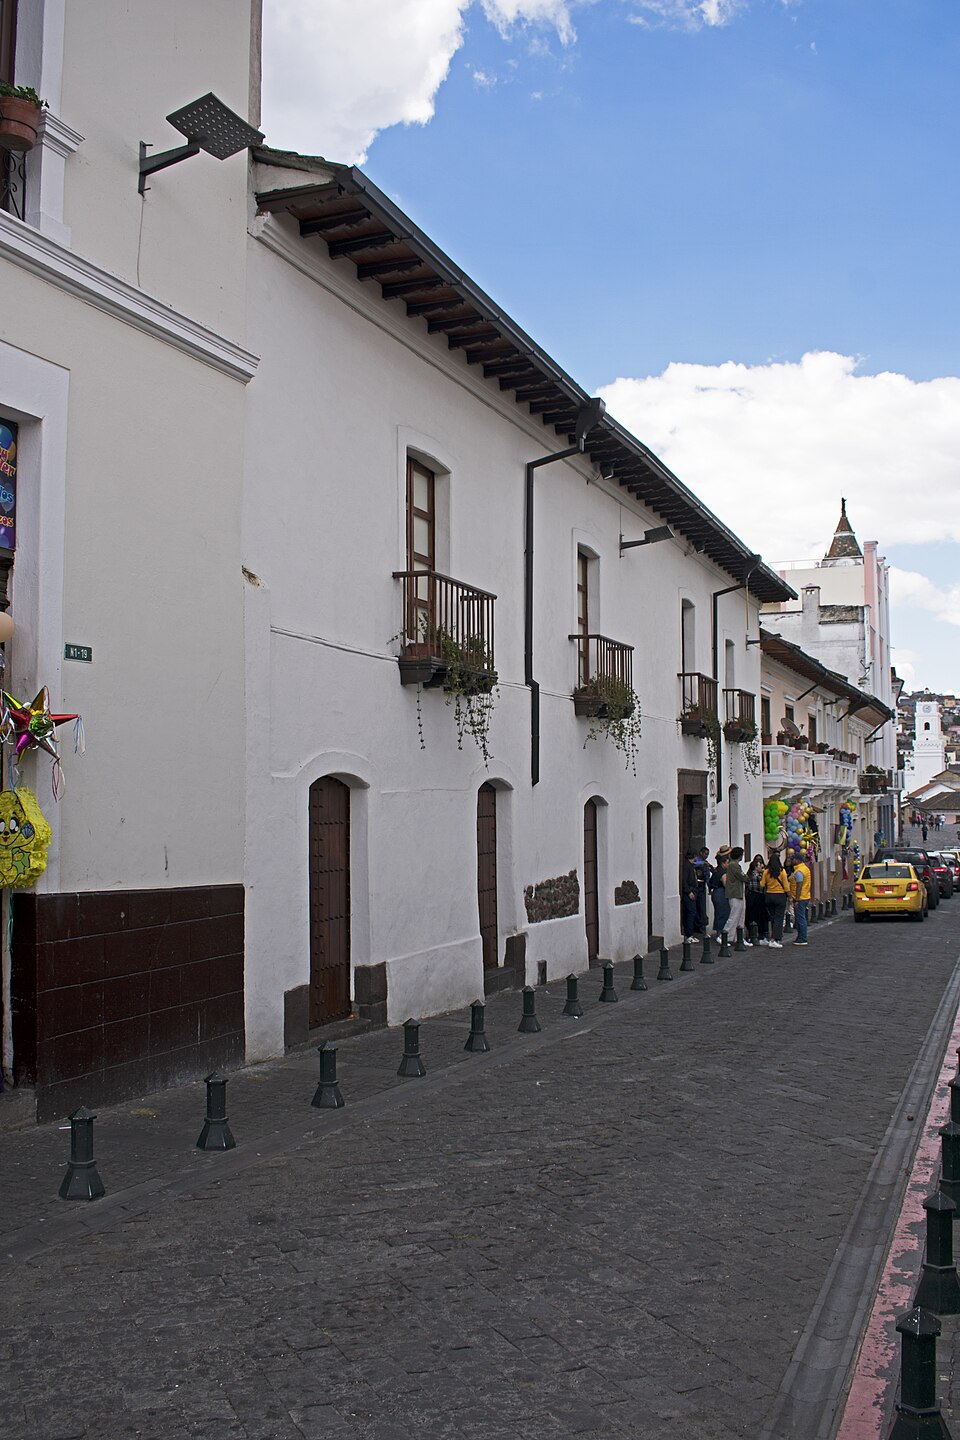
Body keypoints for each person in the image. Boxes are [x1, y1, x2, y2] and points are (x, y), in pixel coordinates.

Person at [760, 851, 790, 948]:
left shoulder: (766, 872)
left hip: (769, 896)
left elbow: (762, 884)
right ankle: (775, 939)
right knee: (779, 918)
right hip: (780, 896)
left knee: (773, 917)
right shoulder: (782, 871)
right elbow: (786, 885)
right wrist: (789, 895)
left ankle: (773, 936)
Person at [725, 846, 750, 945]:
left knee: (740, 917)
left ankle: (738, 937)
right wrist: (746, 877)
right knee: (734, 916)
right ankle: (726, 936)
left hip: (739, 893)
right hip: (735, 893)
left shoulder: (734, 865)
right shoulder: (733, 865)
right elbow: (743, 877)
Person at [746, 854, 768, 943]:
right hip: (757, 897)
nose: (761, 866)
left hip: (752, 897)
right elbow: (760, 886)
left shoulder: (750, 874)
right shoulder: (757, 875)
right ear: (755, 867)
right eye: (759, 865)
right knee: (759, 916)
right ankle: (760, 936)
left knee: (752, 916)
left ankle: (751, 935)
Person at [711, 845, 731, 940]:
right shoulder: (722, 872)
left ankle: (719, 933)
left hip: (716, 893)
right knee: (723, 913)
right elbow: (726, 884)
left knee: (718, 913)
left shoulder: (716, 870)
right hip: (721, 894)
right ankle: (720, 935)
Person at [791, 853, 812, 946]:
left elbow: (799, 886)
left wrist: (797, 899)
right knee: (801, 917)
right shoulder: (805, 869)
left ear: (797, 860)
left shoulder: (799, 871)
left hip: (800, 898)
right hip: (805, 895)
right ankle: (800, 937)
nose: (792, 861)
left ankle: (802, 938)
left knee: (800, 918)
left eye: (793, 859)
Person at [681, 850, 700, 941]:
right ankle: (689, 934)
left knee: (692, 913)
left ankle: (690, 933)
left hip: (693, 891)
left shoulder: (690, 865)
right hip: (689, 893)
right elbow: (684, 880)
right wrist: (689, 892)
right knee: (690, 913)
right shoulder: (687, 866)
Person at [695, 847, 712, 934]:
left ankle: (701, 925)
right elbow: (693, 864)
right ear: (701, 853)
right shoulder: (697, 860)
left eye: (707, 854)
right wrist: (702, 863)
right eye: (705, 854)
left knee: (701, 906)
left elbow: (707, 876)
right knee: (696, 907)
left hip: (702, 887)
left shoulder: (706, 864)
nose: (706, 856)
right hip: (695, 886)